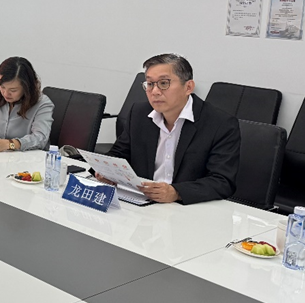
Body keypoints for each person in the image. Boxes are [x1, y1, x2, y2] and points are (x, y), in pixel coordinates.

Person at [98, 54, 240, 204]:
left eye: (164, 83)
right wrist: (107, 171)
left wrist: (177, 192)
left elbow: (222, 181)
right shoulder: (139, 113)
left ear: (188, 87)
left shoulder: (220, 124)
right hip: (142, 202)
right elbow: (120, 152)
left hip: (188, 207)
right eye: (150, 84)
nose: (155, 91)